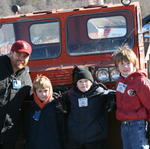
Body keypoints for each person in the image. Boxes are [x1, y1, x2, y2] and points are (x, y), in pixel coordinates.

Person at [61, 66, 115, 149]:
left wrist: (111, 97)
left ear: (91, 82)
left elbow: (112, 93)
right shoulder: (70, 94)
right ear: (76, 83)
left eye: (86, 81)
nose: (83, 84)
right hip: (76, 138)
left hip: (95, 138)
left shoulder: (99, 93)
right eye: (80, 81)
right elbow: (59, 99)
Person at [113, 46, 150, 149]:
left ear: (134, 64)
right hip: (124, 124)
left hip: (138, 125)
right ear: (117, 67)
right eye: (122, 64)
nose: (125, 67)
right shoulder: (119, 81)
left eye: (128, 63)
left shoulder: (140, 81)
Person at [0, 40, 32, 149]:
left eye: (25, 56)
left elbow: (31, 98)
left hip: (10, 132)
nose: (21, 59)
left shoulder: (25, 76)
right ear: (11, 53)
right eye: (18, 54)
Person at [25, 75, 65, 149]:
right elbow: (28, 129)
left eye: (45, 91)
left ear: (50, 90)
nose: (43, 94)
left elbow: (62, 128)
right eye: (40, 91)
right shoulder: (31, 108)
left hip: (54, 145)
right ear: (35, 92)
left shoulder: (56, 106)